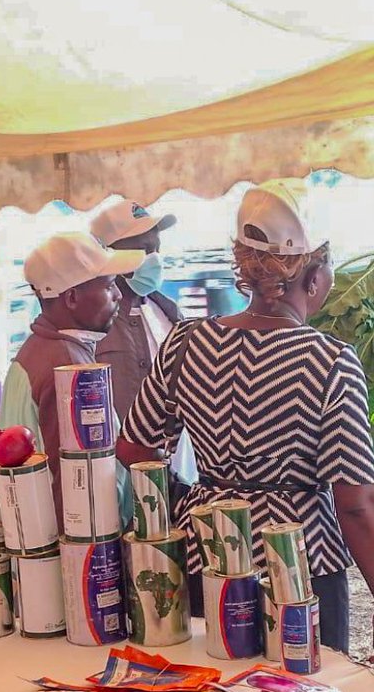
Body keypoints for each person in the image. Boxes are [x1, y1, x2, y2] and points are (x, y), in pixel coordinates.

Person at [117, 178, 374, 653]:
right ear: (314, 277)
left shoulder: (186, 341)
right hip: (300, 565)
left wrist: (190, 498)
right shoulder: (330, 361)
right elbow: (355, 504)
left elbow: (134, 445)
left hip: (205, 556)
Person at [0, 231, 144, 523]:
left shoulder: (41, 350)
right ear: (72, 298)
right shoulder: (66, 367)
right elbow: (72, 487)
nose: (117, 295)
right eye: (109, 285)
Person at [90, 199, 180, 420]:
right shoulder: (91, 323)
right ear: (109, 254)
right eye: (143, 250)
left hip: (175, 450)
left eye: (156, 248)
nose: (155, 258)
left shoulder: (169, 313)